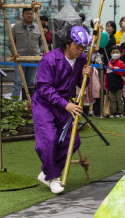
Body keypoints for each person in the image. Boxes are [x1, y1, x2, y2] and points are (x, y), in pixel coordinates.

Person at [32, 26, 92, 194]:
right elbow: (44, 87)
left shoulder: (82, 59)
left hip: (65, 104)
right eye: (77, 46)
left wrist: (87, 74)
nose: (81, 50)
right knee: (48, 139)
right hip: (44, 104)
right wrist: (66, 104)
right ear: (67, 44)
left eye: (83, 47)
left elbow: (82, 83)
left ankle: (48, 172)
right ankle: (53, 177)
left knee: (72, 140)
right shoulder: (50, 59)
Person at [10, 8, 44, 99]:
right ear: (22, 15)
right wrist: (14, 53)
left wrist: (39, 54)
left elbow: (42, 43)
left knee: (31, 82)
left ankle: (29, 103)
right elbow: (11, 42)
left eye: (31, 14)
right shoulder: (15, 28)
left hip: (34, 60)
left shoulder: (38, 28)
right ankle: (14, 104)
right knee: (18, 81)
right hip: (20, 60)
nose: (29, 15)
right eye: (27, 13)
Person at [107, 45, 125, 118]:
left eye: (117, 52)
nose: (115, 53)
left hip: (119, 84)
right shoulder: (109, 64)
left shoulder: (121, 63)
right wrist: (106, 86)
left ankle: (120, 112)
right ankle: (113, 113)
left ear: (120, 54)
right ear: (111, 54)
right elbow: (107, 75)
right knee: (112, 100)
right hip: (111, 85)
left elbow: (121, 73)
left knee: (119, 99)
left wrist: (113, 68)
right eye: (113, 52)